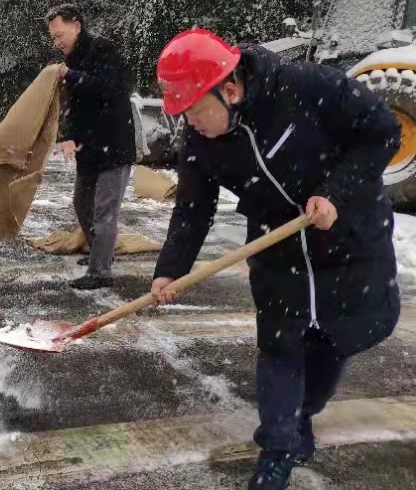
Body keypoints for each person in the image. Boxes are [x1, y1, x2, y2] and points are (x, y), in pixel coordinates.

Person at [149, 29, 401, 489]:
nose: (191, 123)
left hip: (347, 239)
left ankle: (305, 412)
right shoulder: (202, 141)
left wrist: (335, 194)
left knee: (332, 344)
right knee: (281, 348)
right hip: (278, 247)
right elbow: (192, 208)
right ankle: (277, 450)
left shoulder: (306, 86)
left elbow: (383, 133)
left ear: (230, 90)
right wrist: (170, 271)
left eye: (194, 110)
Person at [46, 4, 136, 290]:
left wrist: (71, 75)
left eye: (60, 34)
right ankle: (101, 253)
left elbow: (109, 88)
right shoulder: (73, 59)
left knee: (104, 210)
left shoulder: (102, 50)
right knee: (81, 202)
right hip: (90, 146)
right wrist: (67, 136)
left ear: (77, 25)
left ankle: (101, 272)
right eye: (53, 38)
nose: (57, 42)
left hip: (114, 144)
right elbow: (76, 106)